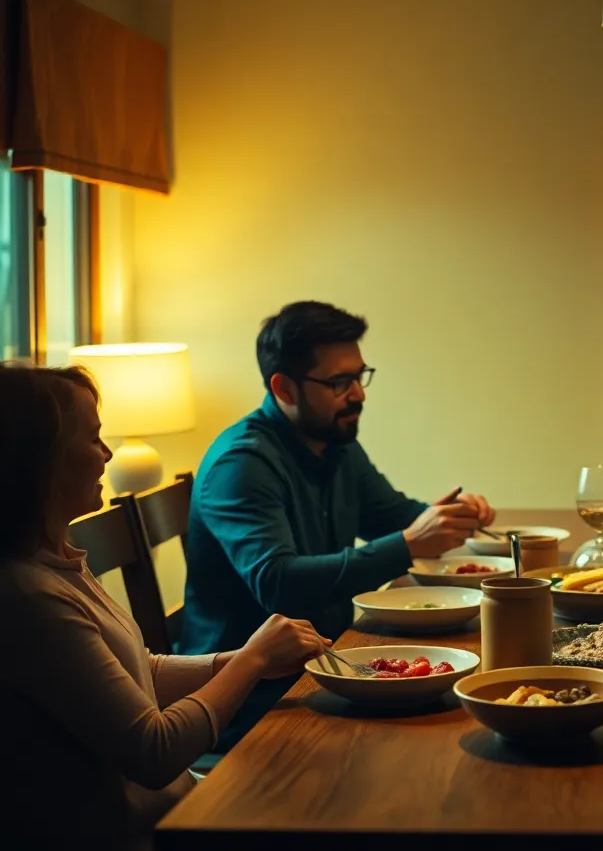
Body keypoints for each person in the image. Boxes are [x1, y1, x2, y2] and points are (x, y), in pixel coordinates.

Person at [0, 363, 330, 846]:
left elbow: (141, 673)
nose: (107, 454)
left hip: (182, 807)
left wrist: (240, 660)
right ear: (41, 458)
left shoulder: (58, 561)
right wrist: (254, 660)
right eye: (93, 438)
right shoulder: (28, 596)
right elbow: (153, 751)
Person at [180, 301, 495, 754]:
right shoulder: (242, 463)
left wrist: (452, 514)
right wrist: (411, 542)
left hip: (331, 671)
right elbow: (279, 584)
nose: (359, 394)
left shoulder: (335, 442)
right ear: (284, 388)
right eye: (338, 382)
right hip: (255, 705)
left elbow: (392, 515)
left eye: (360, 376)